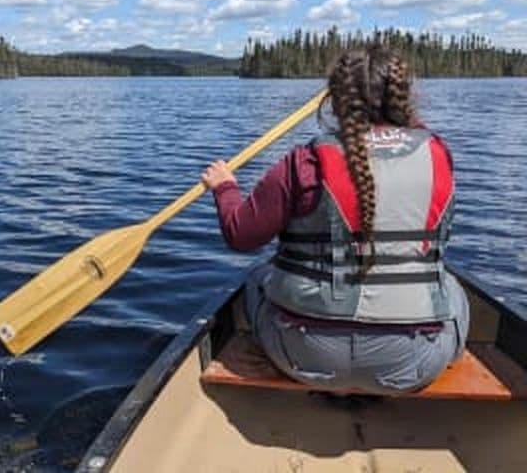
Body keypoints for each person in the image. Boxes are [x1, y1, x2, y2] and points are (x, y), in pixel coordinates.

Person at [201, 45, 469, 394]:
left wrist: (225, 189)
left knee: (257, 277)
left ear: (336, 98)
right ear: (405, 97)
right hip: (412, 362)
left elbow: (240, 234)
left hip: (304, 357)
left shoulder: (305, 162)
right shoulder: (438, 156)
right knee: (453, 289)